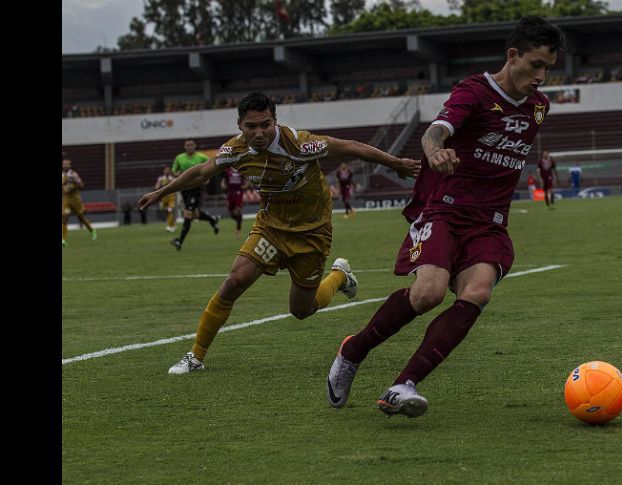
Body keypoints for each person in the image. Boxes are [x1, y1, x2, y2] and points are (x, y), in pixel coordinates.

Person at [326, 16, 566, 418]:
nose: (542, 76)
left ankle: (403, 385)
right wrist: (436, 151)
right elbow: (436, 131)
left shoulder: (538, 108)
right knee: (428, 295)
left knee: (477, 291)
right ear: (513, 55)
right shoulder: (472, 92)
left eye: (548, 68)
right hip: (445, 209)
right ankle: (353, 351)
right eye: (536, 65)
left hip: (489, 222)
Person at [137, 92, 420, 374]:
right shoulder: (235, 150)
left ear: (275, 121)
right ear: (240, 125)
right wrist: (162, 191)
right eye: (251, 127)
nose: (259, 133)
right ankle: (196, 356)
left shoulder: (299, 144)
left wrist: (395, 163)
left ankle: (339, 277)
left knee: (301, 310)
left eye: (265, 124)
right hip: (271, 229)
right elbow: (202, 172)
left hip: (312, 233)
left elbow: (348, 147)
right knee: (235, 281)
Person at [170, 139, 221, 250]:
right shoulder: (179, 158)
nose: (189, 147)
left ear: (195, 146)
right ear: (184, 146)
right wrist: (176, 174)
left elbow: (212, 167)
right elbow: (174, 171)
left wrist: (207, 177)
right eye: (187, 145)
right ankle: (213, 219)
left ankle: (180, 240)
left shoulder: (201, 157)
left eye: (191, 145)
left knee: (188, 213)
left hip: (196, 188)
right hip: (184, 189)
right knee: (195, 215)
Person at [62, 158, 97, 246]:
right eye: (64, 164)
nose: (65, 165)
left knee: (81, 218)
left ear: (70, 165)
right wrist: (65, 189)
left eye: (67, 164)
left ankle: (92, 230)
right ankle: (63, 239)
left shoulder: (74, 174)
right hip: (66, 199)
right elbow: (64, 189)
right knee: (65, 217)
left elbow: (81, 185)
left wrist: (73, 186)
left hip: (76, 199)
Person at [220, 166, 251, 235]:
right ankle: (239, 221)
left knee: (238, 210)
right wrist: (223, 185)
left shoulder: (242, 170)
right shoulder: (228, 170)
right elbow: (224, 180)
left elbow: (248, 178)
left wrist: (246, 185)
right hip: (230, 192)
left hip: (238, 192)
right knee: (230, 212)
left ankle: (238, 229)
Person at [155, 166, 177, 232]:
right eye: (166, 170)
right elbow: (156, 187)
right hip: (163, 198)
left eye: (168, 170)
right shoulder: (160, 179)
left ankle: (169, 226)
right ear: (164, 171)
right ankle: (172, 225)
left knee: (170, 210)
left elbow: (176, 187)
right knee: (166, 212)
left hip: (171, 197)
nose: (167, 171)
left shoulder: (172, 179)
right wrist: (158, 186)